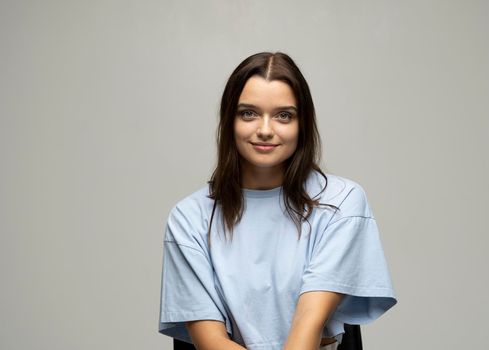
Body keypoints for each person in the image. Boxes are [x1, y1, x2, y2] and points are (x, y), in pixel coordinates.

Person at [158, 52, 397, 350]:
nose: (266, 130)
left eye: (284, 115)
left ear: (303, 124)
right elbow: (210, 342)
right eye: (248, 113)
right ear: (229, 121)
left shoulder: (342, 204)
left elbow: (306, 331)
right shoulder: (189, 218)